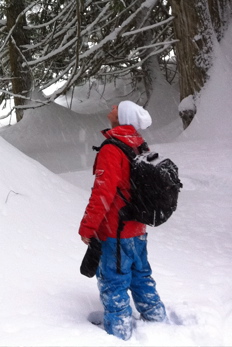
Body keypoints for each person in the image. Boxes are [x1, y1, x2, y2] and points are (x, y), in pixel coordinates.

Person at [79, 100, 166, 340]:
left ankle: (119, 334)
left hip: (115, 232)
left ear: (122, 116)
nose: (112, 107)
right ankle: (159, 323)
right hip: (138, 229)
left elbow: (103, 193)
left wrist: (88, 226)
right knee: (141, 277)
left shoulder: (113, 148)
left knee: (113, 284)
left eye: (117, 107)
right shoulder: (139, 144)